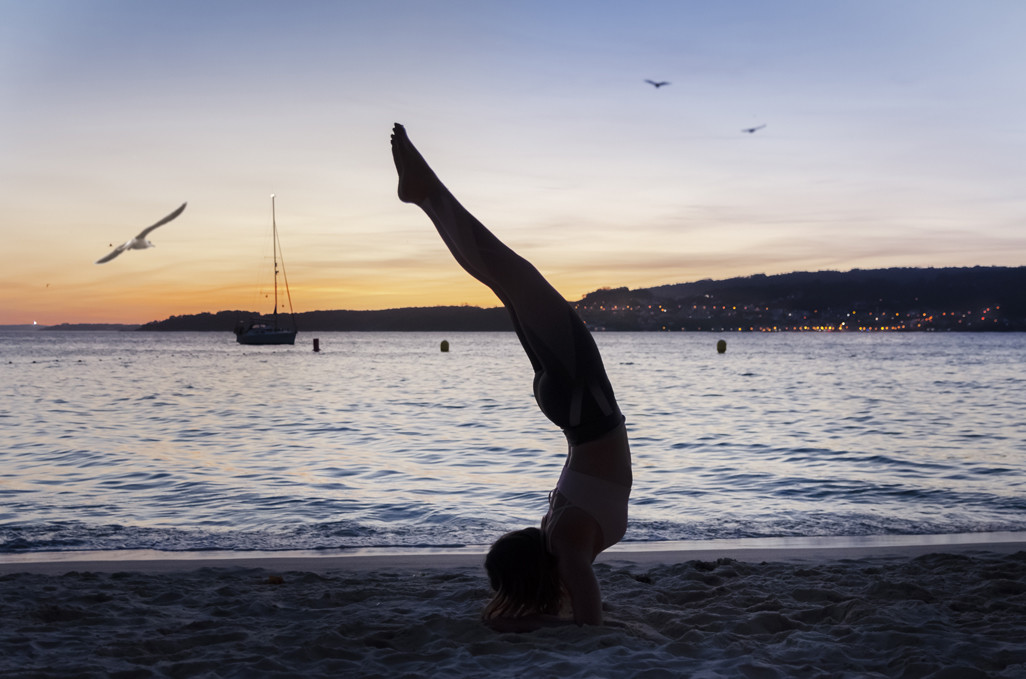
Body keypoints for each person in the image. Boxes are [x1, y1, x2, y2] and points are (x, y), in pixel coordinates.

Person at [391, 123, 632, 629]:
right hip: (579, 410)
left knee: (512, 276)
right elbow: (589, 625)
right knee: (510, 277)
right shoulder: (566, 541)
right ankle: (426, 194)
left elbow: (582, 615)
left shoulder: (568, 540)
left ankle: (428, 194)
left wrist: (524, 616)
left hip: (585, 411)